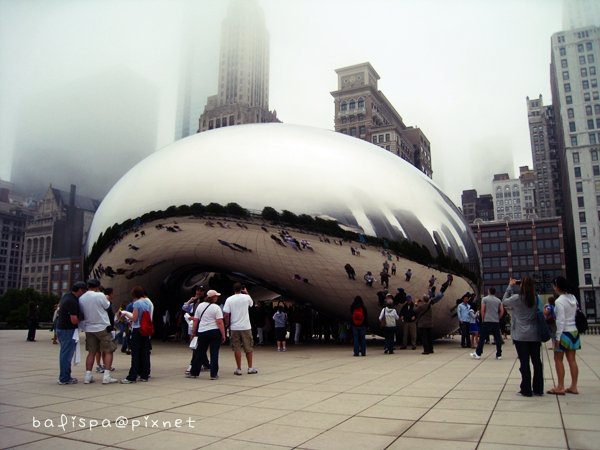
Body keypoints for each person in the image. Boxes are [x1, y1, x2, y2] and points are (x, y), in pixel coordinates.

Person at [502, 277, 543, 397]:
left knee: (524, 362)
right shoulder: (536, 298)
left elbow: (504, 301)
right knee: (537, 362)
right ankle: (538, 388)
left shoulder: (517, 298)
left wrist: (510, 286)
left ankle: (526, 389)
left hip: (521, 335)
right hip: (535, 334)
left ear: (521, 286)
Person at [78, 279, 118, 384]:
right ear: (97, 286)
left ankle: (88, 375)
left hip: (89, 328)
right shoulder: (100, 295)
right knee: (108, 350)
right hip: (102, 326)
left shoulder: (82, 298)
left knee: (91, 352)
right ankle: (106, 376)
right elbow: (107, 306)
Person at [547, 276, 580, 395]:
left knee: (558, 359)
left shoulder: (559, 301)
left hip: (564, 332)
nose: (553, 288)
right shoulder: (573, 298)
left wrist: (558, 337)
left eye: (554, 286)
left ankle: (560, 386)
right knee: (572, 360)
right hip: (574, 331)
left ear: (558, 287)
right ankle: (574, 386)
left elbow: (560, 320)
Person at [188, 289, 226, 380]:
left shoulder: (200, 306)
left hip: (202, 331)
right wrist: (223, 334)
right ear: (212, 297)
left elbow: (196, 320)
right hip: (214, 332)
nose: (217, 298)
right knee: (214, 353)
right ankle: (213, 374)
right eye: (216, 296)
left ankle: (194, 372)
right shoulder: (216, 308)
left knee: (199, 352)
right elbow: (219, 322)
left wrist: (194, 332)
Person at [120, 286, 153, 384]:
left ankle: (132, 376)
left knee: (135, 354)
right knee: (145, 353)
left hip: (137, 329)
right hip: (145, 330)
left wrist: (125, 313)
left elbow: (134, 318)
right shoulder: (147, 302)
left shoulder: (137, 303)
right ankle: (145, 375)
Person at [223, 283, 258, 375]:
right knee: (248, 347)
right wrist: (247, 293)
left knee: (236, 348)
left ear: (233, 289)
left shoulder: (229, 299)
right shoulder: (246, 297)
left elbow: (226, 313)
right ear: (242, 289)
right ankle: (250, 367)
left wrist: (227, 323)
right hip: (246, 326)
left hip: (234, 327)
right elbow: (252, 304)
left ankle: (238, 368)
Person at [56, 282, 87, 385]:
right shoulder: (72, 301)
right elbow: (74, 320)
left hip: (61, 328)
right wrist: (82, 318)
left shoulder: (66, 297)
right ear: (80, 290)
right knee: (66, 355)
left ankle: (66, 376)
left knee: (64, 353)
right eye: (84, 291)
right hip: (68, 330)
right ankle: (64, 378)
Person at [471, 287, 504, 360]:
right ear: (495, 292)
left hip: (487, 320)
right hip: (495, 321)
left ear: (488, 291)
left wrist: (483, 319)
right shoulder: (498, 300)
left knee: (482, 338)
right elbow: (502, 311)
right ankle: (499, 354)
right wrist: (498, 317)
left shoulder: (485, 299)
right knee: (497, 338)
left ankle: (478, 353)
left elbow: (483, 310)